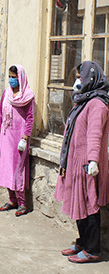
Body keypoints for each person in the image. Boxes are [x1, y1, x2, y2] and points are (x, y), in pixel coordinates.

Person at [55, 61, 109, 264]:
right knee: (79, 204)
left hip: (87, 164)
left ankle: (93, 249)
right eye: (77, 77)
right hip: (74, 162)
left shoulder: (97, 104)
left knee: (90, 206)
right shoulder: (83, 100)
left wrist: (93, 160)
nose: (78, 81)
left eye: (81, 77)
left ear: (92, 78)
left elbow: (95, 134)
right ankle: (83, 241)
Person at [0, 64, 35, 217]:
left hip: (19, 137)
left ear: (20, 78)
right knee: (6, 168)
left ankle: (22, 203)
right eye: (9, 77)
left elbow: (30, 118)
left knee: (18, 170)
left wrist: (25, 137)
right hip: (5, 136)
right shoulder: (6, 94)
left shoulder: (28, 96)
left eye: (14, 77)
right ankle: (12, 200)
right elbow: (1, 116)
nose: (11, 80)